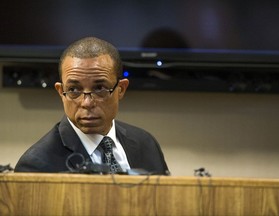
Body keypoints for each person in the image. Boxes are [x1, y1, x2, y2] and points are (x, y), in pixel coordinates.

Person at [14, 37, 169, 175]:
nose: (87, 103)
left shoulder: (146, 144)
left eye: (100, 88)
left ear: (121, 89)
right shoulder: (36, 166)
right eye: (74, 90)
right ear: (61, 92)